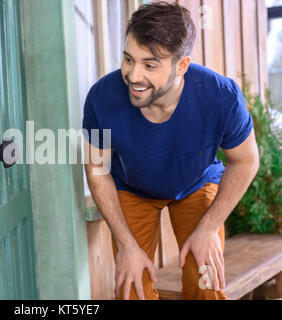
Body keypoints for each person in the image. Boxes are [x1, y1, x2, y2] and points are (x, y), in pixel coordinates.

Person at [83, 2, 259, 300]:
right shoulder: (101, 98)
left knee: (205, 280)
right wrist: (125, 244)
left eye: (150, 65)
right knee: (131, 288)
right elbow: (96, 171)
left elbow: (245, 161)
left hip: (197, 183)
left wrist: (209, 228)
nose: (134, 75)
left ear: (181, 65)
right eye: (128, 59)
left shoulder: (221, 97)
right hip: (132, 187)